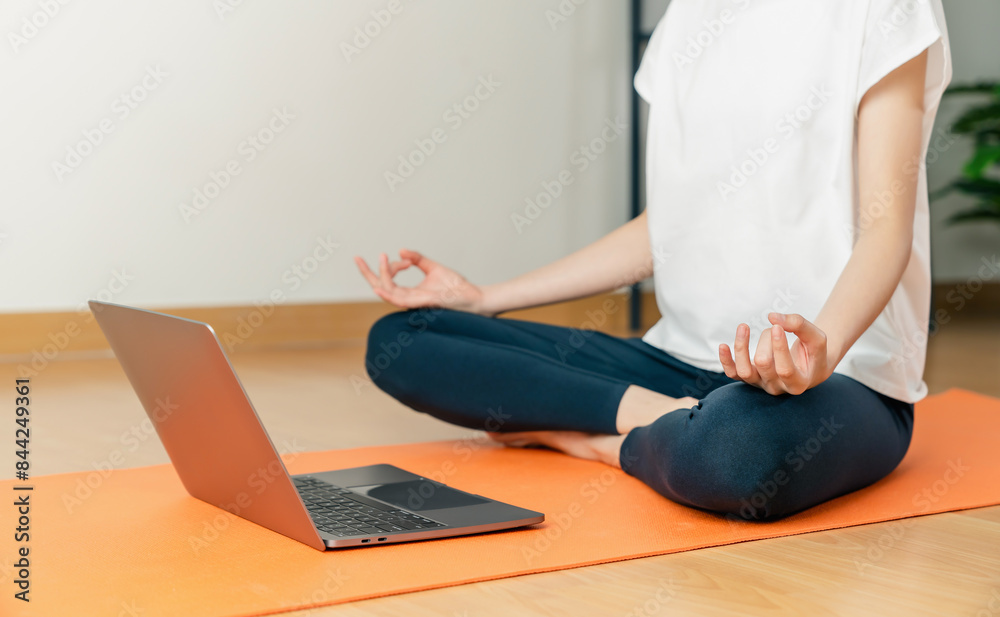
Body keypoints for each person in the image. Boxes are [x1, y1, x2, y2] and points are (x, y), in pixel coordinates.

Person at [354, 0, 953, 520]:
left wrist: (822, 347)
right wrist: (485, 299)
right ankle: (659, 418)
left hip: (839, 382)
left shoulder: (883, 9)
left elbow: (885, 229)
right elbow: (667, 228)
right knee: (401, 340)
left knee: (737, 453)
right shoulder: (686, 17)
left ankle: (587, 439)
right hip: (674, 365)